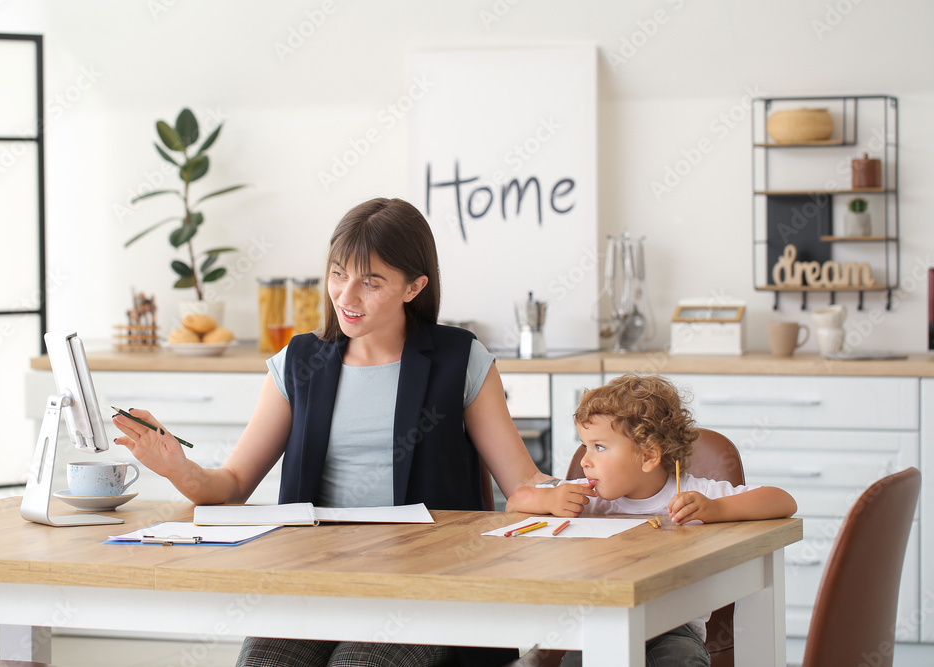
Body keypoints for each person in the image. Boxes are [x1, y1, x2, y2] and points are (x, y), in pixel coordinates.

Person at [112, 197, 553, 667]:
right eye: (339, 274)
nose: (346, 296)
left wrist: (606, 481)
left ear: (414, 287)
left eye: (371, 281)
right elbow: (235, 484)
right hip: (314, 585)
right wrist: (179, 468)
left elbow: (523, 485)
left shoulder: (460, 360)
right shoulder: (298, 363)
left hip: (426, 589)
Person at [506, 373, 797, 667]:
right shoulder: (587, 497)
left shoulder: (694, 494)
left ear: (648, 456)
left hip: (674, 627)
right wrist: (548, 500)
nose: (585, 460)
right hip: (598, 621)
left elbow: (782, 500)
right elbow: (516, 502)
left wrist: (716, 509)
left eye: (599, 447)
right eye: (585, 446)